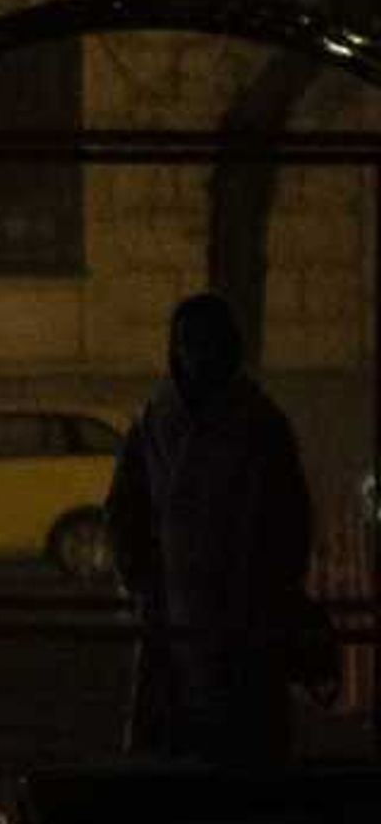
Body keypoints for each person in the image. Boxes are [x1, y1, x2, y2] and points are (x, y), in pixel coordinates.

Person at [107, 293, 320, 768]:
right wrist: (145, 580)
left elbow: (288, 523)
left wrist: (272, 592)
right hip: (178, 613)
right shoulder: (158, 421)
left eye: (206, 343)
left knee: (236, 748)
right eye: (188, 343)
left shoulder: (259, 425)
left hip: (241, 616)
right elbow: (125, 511)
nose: (197, 355)